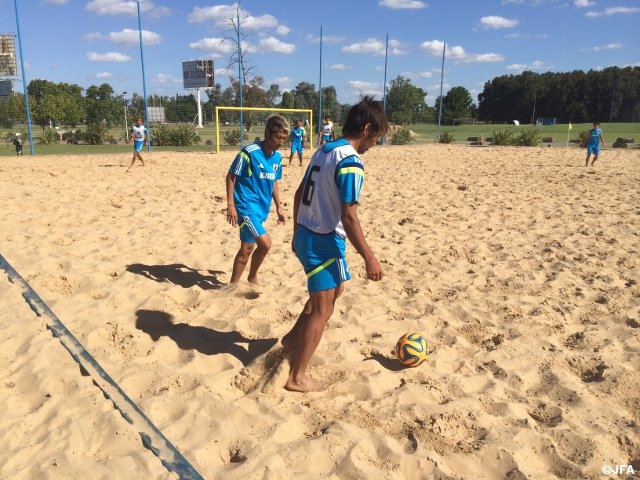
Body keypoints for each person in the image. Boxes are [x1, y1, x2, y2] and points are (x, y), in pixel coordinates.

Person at [282, 96, 389, 392]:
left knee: (333, 290)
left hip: (305, 232)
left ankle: (292, 339)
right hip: (324, 239)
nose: (375, 144)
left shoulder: (324, 150)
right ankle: (297, 377)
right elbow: (349, 216)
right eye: (377, 136)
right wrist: (369, 256)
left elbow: (299, 192)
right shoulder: (351, 162)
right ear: (367, 128)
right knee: (323, 309)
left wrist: (295, 231)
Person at [226, 114, 289, 287]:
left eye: (284, 139)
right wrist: (231, 205)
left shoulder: (277, 158)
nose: (280, 142)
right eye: (278, 137)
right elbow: (231, 176)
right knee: (266, 244)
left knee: (246, 249)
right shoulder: (250, 152)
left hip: (261, 209)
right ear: (268, 133)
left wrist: (279, 207)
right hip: (245, 207)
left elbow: (274, 181)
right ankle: (252, 276)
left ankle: (232, 286)